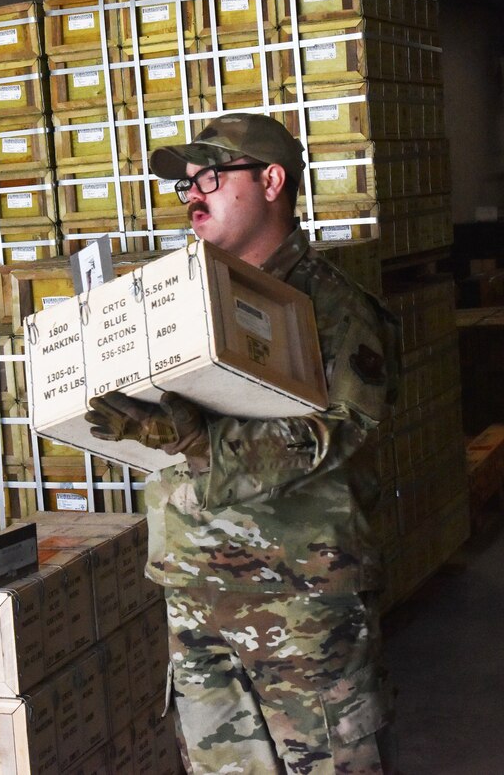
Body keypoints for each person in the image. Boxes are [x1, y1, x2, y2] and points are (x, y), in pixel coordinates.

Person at [84, 112, 401, 774]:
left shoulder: (334, 309)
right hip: (194, 589)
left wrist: (202, 444)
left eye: (210, 176)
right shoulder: (183, 302)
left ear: (270, 181)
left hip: (297, 599)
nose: (192, 194)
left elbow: (331, 432)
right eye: (185, 184)